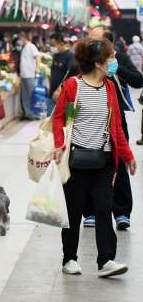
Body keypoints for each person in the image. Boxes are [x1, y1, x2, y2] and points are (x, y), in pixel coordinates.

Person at [52, 38, 135, 278]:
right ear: (99, 63)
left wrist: (127, 155)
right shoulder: (73, 86)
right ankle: (69, 258)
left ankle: (106, 260)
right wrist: (59, 144)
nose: (114, 62)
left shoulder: (109, 87)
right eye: (110, 58)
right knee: (74, 211)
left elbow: (116, 125)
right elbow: (63, 118)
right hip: (76, 159)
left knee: (104, 207)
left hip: (105, 160)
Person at [80, 32, 143, 230]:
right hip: (88, 121)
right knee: (87, 162)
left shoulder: (119, 59)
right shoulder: (88, 60)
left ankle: (122, 212)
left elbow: (138, 80)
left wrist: (116, 69)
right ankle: (89, 211)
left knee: (118, 163)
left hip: (116, 118)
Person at [48, 33, 74, 115]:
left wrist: (59, 89)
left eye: (53, 45)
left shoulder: (70, 56)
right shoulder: (55, 55)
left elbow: (68, 73)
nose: (52, 47)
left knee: (63, 117)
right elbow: (53, 71)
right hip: (52, 91)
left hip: (63, 92)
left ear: (61, 44)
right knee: (50, 117)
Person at [19, 32, 41, 120]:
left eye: (20, 38)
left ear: (24, 38)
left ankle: (34, 113)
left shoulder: (31, 46)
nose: (20, 40)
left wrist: (36, 69)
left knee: (32, 95)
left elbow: (38, 57)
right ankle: (27, 113)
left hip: (30, 75)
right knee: (25, 96)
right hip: (24, 75)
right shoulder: (24, 47)